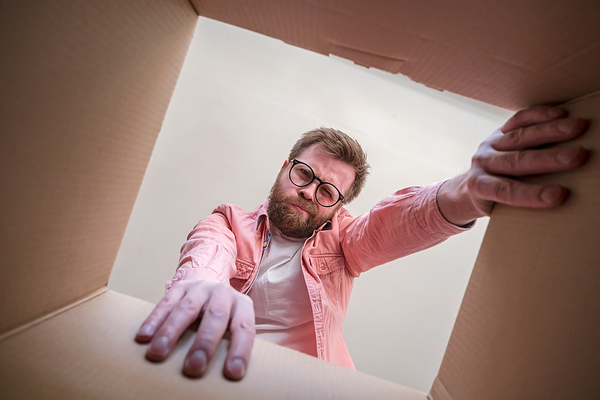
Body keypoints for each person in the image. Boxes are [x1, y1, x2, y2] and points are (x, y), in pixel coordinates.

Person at [135, 106, 589, 380]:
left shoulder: (344, 242)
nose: (310, 192)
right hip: (209, 373)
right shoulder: (228, 223)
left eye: (328, 192)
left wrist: (466, 192)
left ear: (338, 206)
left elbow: (391, 225)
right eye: (304, 175)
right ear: (283, 168)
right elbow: (205, 257)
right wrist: (203, 287)